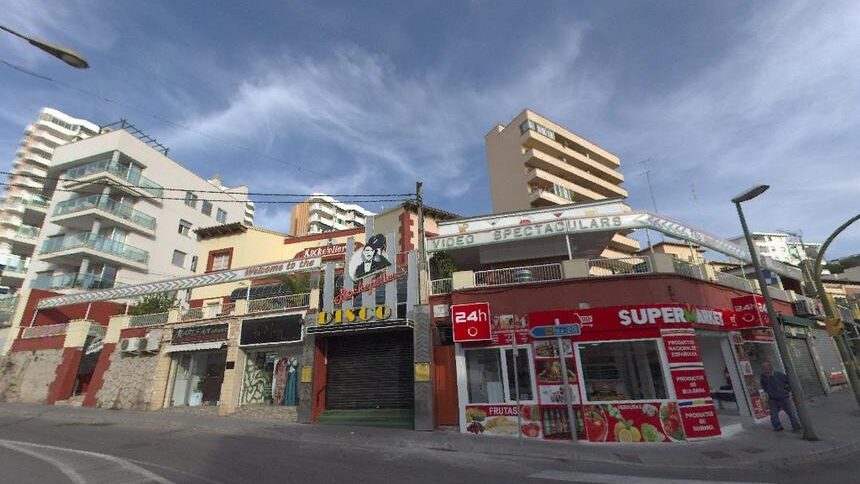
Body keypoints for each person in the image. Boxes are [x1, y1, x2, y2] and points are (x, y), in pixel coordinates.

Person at [760, 361, 801, 432]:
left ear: (770, 367)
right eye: (763, 368)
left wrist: (787, 390)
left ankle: (796, 426)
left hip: (783, 397)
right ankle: (777, 426)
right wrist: (768, 392)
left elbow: (789, 381)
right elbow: (764, 386)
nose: (764, 369)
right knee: (774, 414)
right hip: (773, 399)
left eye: (765, 367)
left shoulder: (779, 375)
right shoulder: (763, 377)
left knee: (791, 412)